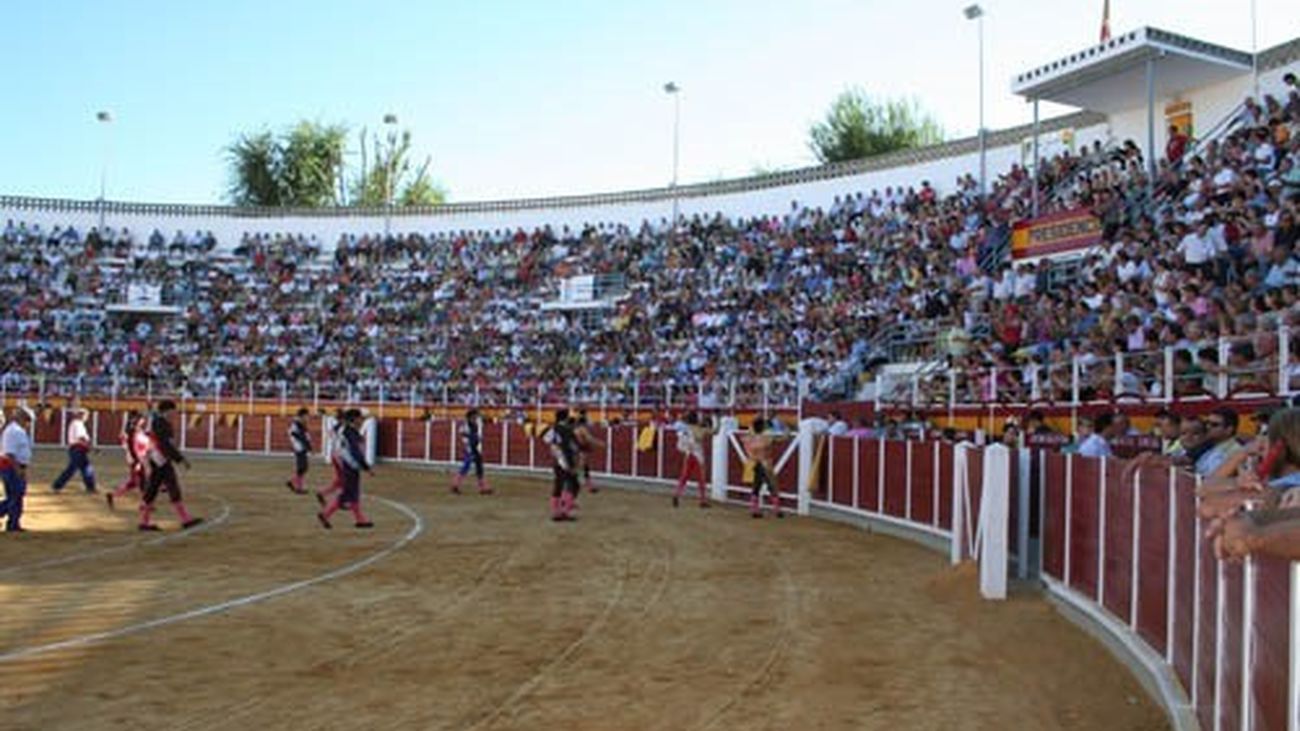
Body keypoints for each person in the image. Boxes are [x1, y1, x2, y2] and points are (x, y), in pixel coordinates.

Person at [139, 400, 203, 532]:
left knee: (154, 488)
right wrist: (180, 459)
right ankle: (185, 519)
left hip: (156, 457)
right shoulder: (161, 422)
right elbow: (166, 445)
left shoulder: (157, 420)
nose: (175, 413)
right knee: (170, 486)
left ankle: (144, 522)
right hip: (160, 458)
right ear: (168, 410)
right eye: (173, 410)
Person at [317, 409, 374, 529]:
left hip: (345, 463)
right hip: (350, 465)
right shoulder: (350, 432)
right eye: (360, 418)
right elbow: (355, 452)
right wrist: (366, 467)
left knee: (353, 493)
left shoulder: (345, 430)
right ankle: (325, 514)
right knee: (348, 493)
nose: (362, 420)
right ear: (354, 419)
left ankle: (360, 519)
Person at [0, 408, 33, 532]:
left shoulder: (16, 430)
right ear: (22, 419)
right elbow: (10, 453)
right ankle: (12, 522)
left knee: (16, 495)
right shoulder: (14, 431)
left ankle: (13, 524)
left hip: (14, 466)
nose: (28, 424)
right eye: (27, 420)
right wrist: (18, 469)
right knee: (15, 495)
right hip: (11, 467)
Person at [51, 407, 97, 494]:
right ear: (82, 415)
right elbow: (81, 438)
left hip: (77, 449)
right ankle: (57, 485)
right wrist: (91, 447)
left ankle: (90, 487)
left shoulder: (76, 423)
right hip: (77, 449)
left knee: (85, 468)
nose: (87, 418)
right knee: (73, 469)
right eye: (86, 416)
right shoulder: (78, 424)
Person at [545, 409, 581, 521]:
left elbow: (547, 440)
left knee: (558, 484)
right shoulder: (568, 430)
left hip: (557, 459)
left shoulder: (552, 429)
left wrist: (555, 451)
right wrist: (575, 462)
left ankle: (556, 512)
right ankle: (565, 511)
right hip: (567, 460)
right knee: (573, 484)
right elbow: (574, 448)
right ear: (565, 418)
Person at [107, 411, 147, 509]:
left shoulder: (135, 430)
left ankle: (113, 495)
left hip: (136, 458)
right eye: (141, 418)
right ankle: (144, 504)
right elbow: (132, 447)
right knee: (143, 481)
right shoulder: (133, 431)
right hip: (136, 458)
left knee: (134, 482)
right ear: (137, 420)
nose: (143, 420)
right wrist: (137, 461)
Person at [672, 411, 712, 508]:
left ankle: (677, 494)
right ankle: (702, 500)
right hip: (698, 456)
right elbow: (713, 432)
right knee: (701, 479)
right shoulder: (698, 429)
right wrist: (716, 422)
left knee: (684, 476)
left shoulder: (685, 428)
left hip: (689, 454)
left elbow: (680, 443)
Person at [743, 417, 781, 519]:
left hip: (756, 463)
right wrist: (786, 432)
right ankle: (776, 510)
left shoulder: (750, 439)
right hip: (766, 464)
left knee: (757, 486)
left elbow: (747, 445)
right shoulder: (766, 437)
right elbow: (780, 439)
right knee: (772, 485)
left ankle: (754, 509)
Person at [451, 408, 491, 495]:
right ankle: (455, 485)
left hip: (474, 447)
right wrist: (472, 436)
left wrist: (476, 438)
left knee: (479, 466)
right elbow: (461, 432)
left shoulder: (474, 424)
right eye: (475, 415)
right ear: (470, 416)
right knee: (466, 466)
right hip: (469, 447)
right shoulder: (466, 424)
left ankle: (483, 488)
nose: (476, 417)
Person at [573, 409, 603, 493]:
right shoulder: (582, 428)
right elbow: (590, 439)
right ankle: (585, 484)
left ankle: (587, 484)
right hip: (580, 448)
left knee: (583, 466)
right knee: (581, 466)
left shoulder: (577, 427)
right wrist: (600, 443)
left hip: (578, 448)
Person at [287, 408, 313, 495]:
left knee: (302, 468)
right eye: (307, 416)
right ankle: (298, 486)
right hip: (299, 447)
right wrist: (307, 445)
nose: (308, 418)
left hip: (300, 447)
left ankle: (293, 482)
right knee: (302, 468)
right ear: (302, 416)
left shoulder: (298, 423)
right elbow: (298, 435)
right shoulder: (297, 424)